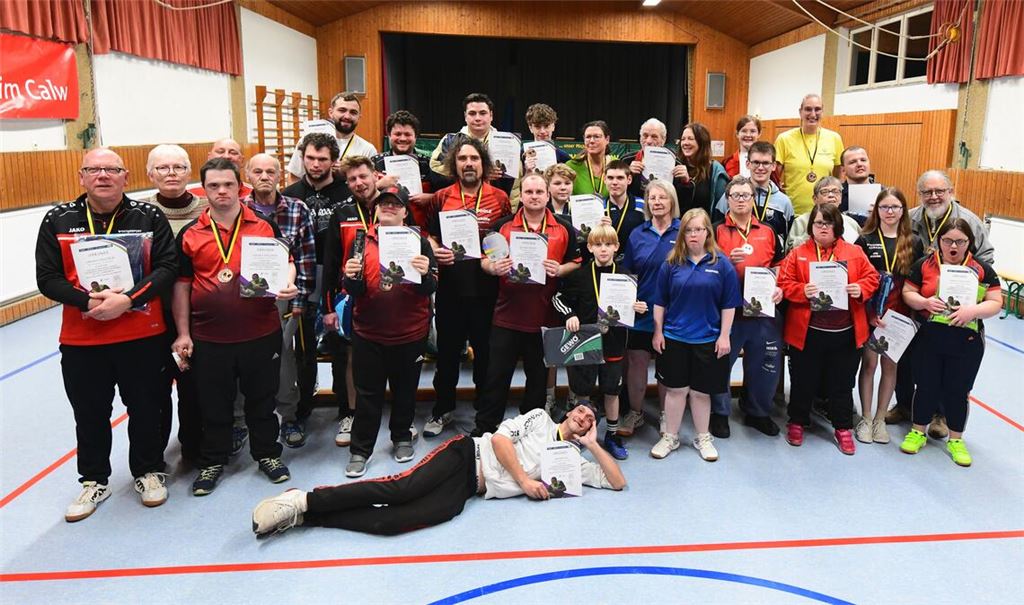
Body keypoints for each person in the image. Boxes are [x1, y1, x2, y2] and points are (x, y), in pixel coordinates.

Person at [36, 148, 178, 521]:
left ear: (125, 177)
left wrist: (128, 300)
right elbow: (47, 278)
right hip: (83, 339)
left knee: (147, 407)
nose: (103, 175)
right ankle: (94, 480)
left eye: (111, 169)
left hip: (142, 336)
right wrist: (87, 301)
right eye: (94, 169)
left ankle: (148, 471)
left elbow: (167, 267)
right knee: (90, 413)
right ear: (81, 176)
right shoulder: (58, 219)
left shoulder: (148, 216)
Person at [251, 404, 626, 538]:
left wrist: (593, 445)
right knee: (401, 489)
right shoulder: (541, 418)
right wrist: (525, 481)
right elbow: (499, 441)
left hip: (471, 488)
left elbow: (617, 482)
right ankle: (303, 499)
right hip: (466, 455)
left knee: (392, 523)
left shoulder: (572, 461)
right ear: (568, 412)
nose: (584, 417)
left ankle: (307, 518)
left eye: (590, 419)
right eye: (581, 411)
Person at [172, 158, 299, 496]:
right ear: (204, 190)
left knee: (262, 399)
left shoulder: (264, 225)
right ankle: (213, 460)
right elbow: (182, 286)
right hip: (209, 336)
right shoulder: (190, 233)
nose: (222, 191)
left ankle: (267, 453)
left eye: (228, 184)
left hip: (260, 332)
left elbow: (287, 261)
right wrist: (183, 333)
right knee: (214, 402)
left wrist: (288, 282)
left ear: (239, 187)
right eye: (213, 186)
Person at [340, 186, 438, 477]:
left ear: (406, 212)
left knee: (405, 390)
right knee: (367, 393)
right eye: (384, 203)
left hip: (410, 331)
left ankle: (402, 437)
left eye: (396, 204)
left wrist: (425, 273)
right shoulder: (360, 240)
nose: (389, 207)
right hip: (368, 331)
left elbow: (431, 287)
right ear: (376, 209)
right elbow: (353, 289)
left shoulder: (420, 242)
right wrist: (349, 276)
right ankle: (360, 449)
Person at [474, 173, 581, 435]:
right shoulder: (502, 226)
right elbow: (484, 261)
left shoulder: (564, 228)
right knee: (496, 376)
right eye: (529, 192)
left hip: (545, 317)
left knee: (538, 380)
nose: (534, 196)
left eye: (539, 192)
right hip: (506, 315)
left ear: (547, 195)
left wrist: (560, 269)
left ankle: (529, 430)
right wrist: (493, 268)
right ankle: (485, 428)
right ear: (521, 196)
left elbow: (575, 263)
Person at [423, 138, 513, 438]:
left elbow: (504, 237)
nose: (469, 163)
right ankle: (443, 409)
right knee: (447, 355)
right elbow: (430, 234)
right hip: (451, 289)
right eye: (462, 159)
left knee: (486, 355)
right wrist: (435, 249)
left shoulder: (499, 198)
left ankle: (483, 413)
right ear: (455, 164)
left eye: (474, 158)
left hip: (488, 291)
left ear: (483, 164)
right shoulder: (441, 197)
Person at [899, 219, 1002, 466]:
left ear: (969, 242)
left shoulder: (982, 269)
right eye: (947, 241)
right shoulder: (924, 265)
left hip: (966, 340)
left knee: (957, 390)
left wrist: (973, 311)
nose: (953, 246)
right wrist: (924, 302)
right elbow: (908, 292)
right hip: (929, 338)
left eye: (960, 241)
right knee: (926, 385)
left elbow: (996, 301)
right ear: (939, 242)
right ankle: (918, 432)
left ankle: (956, 439)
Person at [778, 204, 879, 455]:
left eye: (828, 223)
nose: (823, 228)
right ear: (811, 226)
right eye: (818, 223)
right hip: (808, 332)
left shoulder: (854, 252)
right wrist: (802, 290)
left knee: (842, 383)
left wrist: (860, 288)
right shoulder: (798, 253)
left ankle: (842, 427)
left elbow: (872, 278)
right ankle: (797, 421)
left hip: (845, 333)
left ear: (838, 226)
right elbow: (783, 283)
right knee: (803, 380)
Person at [649, 208, 740, 461]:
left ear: (707, 232)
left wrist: (725, 336)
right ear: (682, 234)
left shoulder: (722, 264)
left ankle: (703, 437)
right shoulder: (670, 264)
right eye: (688, 230)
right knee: (676, 391)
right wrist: (658, 332)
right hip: (675, 338)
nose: (693, 234)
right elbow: (660, 302)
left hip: (708, 339)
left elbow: (729, 304)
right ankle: (670, 437)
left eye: (698, 229)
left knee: (701, 392)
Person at [281, 132, 354, 442]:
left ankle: (346, 408)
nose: (315, 164)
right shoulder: (289, 194)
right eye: (310, 158)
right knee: (303, 348)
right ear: (302, 158)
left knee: (341, 346)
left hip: (338, 278)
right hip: (302, 278)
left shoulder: (347, 192)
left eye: (322, 159)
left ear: (333, 161)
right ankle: (302, 409)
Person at [553, 225, 648, 460]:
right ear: (589, 247)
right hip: (585, 342)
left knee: (612, 391)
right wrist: (569, 315)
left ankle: (612, 435)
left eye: (608, 244)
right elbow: (558, 298)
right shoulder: (580, 275)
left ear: (616, 247)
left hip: (614, 343)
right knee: (582, 391)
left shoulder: (625, 276)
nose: (603, 249)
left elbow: (633, 309)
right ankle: (579, 434)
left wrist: (639, 308)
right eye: (598, 244)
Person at [242, 154, 317, 448]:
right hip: (244, 299)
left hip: (284, 298)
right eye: (258, 171)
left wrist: (300, 298)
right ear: (248, 175)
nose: (264, 176)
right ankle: (240, 420)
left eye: (270, 171)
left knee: (283, 357)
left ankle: (289, 415)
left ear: (279, 176)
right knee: (242, 359)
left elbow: (306, 257)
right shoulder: (237, 208)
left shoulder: (297, 209)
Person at [141, 144, 208, 465]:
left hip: (197, 314)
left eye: (179, 167)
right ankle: (154, 455)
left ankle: (193, 448)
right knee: (154, 387)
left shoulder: (207, 208)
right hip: (150, 314)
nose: (171, 174)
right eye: (163, 168)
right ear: (149, 174)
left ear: (189, 172)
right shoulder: (138, 213)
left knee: (193, 385)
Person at [710, 177, 785, 438]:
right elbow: (705, 268)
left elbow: (779, 265)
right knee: (721, 363)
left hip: (762, 312)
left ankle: (757, 411)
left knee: (764, 364)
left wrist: (779, 287)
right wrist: (726, 262)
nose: (741, 200)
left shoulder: (768, 231)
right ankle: (720, 412)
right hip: (728, 311)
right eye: (736, 195)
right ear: (727, 199)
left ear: (754, 199)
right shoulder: (716, 230)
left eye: (746, 195)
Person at [322, 156, 387, 446]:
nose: (359, 183)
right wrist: (327, 308)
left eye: (363, 176)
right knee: (349, 357)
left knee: (392, 356)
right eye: (352, 179)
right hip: (351, 298)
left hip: (389, 296)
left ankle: (398, 417)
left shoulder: (393, 207)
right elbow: (331, 263)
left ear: (375, 176)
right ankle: (350, 413)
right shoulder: (342, 213)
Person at [854, 187, 924, 444]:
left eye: (895, 207)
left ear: (903, 210)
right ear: (877, 210)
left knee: (890, 366)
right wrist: (870, 312)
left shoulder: (913, 241)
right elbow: (858, 278)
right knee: (869, 365)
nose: (890, 211)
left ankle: (880, 419)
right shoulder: (865, 239)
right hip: (872, 313)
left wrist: (912, 317)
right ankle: (866, 417)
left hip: (899, 315)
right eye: (884, 207)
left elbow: (917, 282)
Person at [617, 180, 680, 437]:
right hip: (641, 311)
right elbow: (628, 272)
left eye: (662, 197)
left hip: (673, 313)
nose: (657, 202)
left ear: (672, 201)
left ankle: (666, 415)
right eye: (652, 198)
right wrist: (631, 300)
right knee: (636, 362)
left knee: (667, 365)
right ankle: (636, 412)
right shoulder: (637, 234)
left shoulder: (683, 232)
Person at [372, 110, 450, 229]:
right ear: (389, 135)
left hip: (422, 230)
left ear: (415, 136)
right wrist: (378, 185)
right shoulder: (375, 163)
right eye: (398, 134)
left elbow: (449, 195)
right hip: (385, 230)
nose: (402, 138)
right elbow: (362, 195)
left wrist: (431, 198)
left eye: (407, 134)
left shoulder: (429, 164)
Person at [429, 93, 517, 199]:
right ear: (465, 116)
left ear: (491, 115)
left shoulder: (508, 143)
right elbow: (436, 175)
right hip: (458, 203)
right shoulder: (449, 141)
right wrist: (482, 173)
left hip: (496, 205)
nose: (477, 118)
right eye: (472, 113)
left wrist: (509, 208)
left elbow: (516, 185)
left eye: (483, 113)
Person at [287, 92, 377, 185]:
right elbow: (294, 177)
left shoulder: (367, 149)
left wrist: (348, 172)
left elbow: (372, 185)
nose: (347, 116)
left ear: (359, 117)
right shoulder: (308, 142)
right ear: (331, 112)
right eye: (342, 110)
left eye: (353, 112)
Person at [774, 94, 844, 215]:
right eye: (808, 109)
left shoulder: (834, 138)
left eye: (817, 109)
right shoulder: (784, 139)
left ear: (822, 112)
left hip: (825, 214)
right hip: (793, 213)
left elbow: (838, 178)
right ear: (800, 112)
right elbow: (774, 178)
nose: (813, 114)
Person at [908, 170, 994, 263]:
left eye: (939, 191)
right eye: (927, 192)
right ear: (920, 194)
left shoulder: (970, 221)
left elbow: (985, 257)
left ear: (950, 192)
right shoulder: (909, 218)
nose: (934, 197)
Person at [714, 141, 793, 239]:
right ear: (748, 164)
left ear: (773, 166)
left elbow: (788, 239)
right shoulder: (732, 196)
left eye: (765, 163)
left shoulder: (784, 202)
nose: (760, 168)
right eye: (756, 162)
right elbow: (717, 230)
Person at [787, 176, 862, 251]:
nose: (831, 195)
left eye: (835, 191)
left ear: (841, 198)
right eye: (825, 192)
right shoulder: (801, 221)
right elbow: (789, 250)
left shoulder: (851, 223)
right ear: (815, 199)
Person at [674, 122, 728, 216]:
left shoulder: (715, 171)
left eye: (690, 139)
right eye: (683, 139)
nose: (685, 143)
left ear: (702, 142)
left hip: (705, 223)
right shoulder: (675, 166)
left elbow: (720, 210)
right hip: (678, 223)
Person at [600, 159, 645, 260]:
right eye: (610, 178)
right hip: (606, 262)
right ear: (604, 179)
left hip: (635, 262)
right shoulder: (598, 207)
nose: (614, 182)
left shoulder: (642, 205)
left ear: (629, 180)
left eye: (620, 178)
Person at [623, 118, 674, 200]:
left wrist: (685, 182)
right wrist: (627, 174)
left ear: (663, 140)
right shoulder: (626, 161)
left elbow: (680, 198)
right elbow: (618, 191)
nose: (648, 141)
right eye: (645, 136)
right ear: (640, 138)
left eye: (654, 137)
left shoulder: (674, 162)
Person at [723, 115, 779, 190]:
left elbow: (775, 186)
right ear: (737, 134)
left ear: (759, 134)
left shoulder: (768, 161)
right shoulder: (728, 162)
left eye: (752, 131)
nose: (748, 135)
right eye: (744, 131)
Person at [566, 120, 617, 197]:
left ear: (607, 139)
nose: (592, 141)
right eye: (588, 137)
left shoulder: (616, 165)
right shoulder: (571, 167)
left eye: (596, 137)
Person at [187, 139, 253, 198]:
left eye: (233, 153)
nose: (226, 156)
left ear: (242, 161)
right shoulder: (190, 193)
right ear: (209, 157)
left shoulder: (252, 194)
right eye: (220, 151)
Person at [524, 102, 571, 170]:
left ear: (553, 126)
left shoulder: (564, 157)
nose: (542, 131)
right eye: (537, 127)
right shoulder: (520, 155)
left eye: (546, 126)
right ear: (530, 128)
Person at [839, 146, 879, 223]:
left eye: (863, 160)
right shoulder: (836, 195)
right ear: (843, 169)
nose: (859, 164)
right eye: (852, 162)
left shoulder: (885, 194)